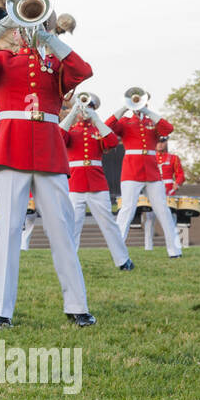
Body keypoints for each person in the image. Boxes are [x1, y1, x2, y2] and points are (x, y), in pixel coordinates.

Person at [0, 13, 95, 328]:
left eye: (39, 25)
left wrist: (49, 39)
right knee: (9, 232)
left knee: (61, 230)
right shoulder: (1, 60)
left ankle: (77, 306)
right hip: (12, 151)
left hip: (49, 153)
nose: (31, 32)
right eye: (27, 28)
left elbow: (83, 71)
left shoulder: (56, 65)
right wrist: (3, 25)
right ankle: (1, 310)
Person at [60, 92, 133, 270]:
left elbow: (112, 142)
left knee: (108, 223)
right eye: (83, 106)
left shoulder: (98, 130)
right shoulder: (71, 128)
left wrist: (97, 120)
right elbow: (59, 137)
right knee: (73, 224)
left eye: (89, 106)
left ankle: (123, 260)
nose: (86, 110)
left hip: (97, 184)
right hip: (75, 184)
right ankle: (70, 262)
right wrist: (72, 113)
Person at [107, 93, 182, 258]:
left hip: (152, 170)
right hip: (131, 170)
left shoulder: (152, 121)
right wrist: (125, 107)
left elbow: (168, 129)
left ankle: (175, 250)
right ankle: (117, 250)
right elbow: (108, 126)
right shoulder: (126, 121)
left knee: (163, 209)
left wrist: (148, 112)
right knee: (127, 209)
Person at [144, 137, 186, 249]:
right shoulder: (149, 158)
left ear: (166, 142)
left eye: (162, 142)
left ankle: (177, 245)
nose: (160, 144)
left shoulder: (173, 158)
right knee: (149, 219)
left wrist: (177, 183)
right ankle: (148, 247)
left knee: (172, 218)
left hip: (169, 192)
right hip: (152, 191)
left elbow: (180, 174)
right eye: (157, 141)